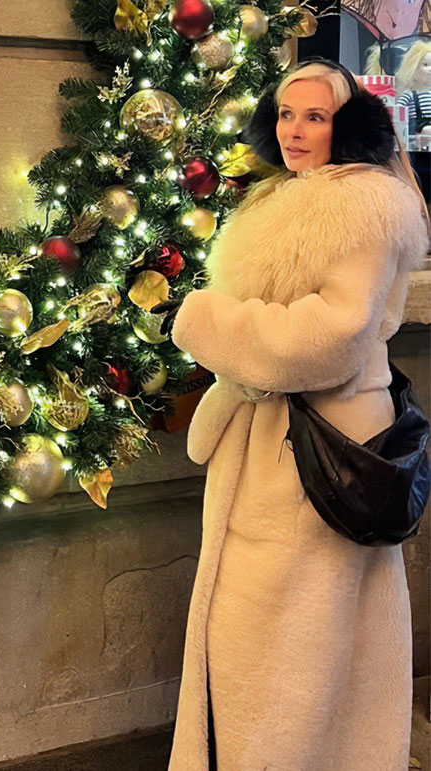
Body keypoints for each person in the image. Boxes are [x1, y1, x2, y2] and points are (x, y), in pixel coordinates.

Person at [164, 58, 431, 770]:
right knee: (279, 652)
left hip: (321, 451)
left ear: (345, 126)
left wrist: (209, 323)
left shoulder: (361, 203)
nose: (295, 129)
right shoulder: (284, 196)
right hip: (279, 444)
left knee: (296, 656)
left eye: (315, 116)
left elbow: (334, 336)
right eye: (286, 113)